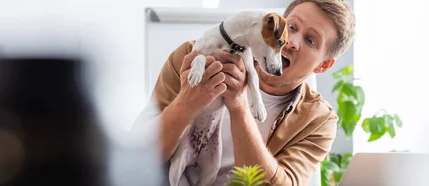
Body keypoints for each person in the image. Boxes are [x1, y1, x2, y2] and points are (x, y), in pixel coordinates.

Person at [138, 0, 355, 185]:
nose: (291, 41)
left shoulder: (317, 121)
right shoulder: (192, 57)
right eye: (291, 27)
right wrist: (186, 103)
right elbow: (136, 155)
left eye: (310, 40)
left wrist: (240, 106)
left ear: (323, 66)